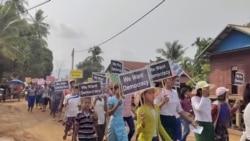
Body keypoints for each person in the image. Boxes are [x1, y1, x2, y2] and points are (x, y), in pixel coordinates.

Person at [154, 72, 196, 141]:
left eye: (174, 79)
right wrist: (163, 102)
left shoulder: (175, 92)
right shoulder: (160, 92)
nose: (173, 81)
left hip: (174, 120)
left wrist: (191, 121)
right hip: (164, 120)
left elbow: (179, 109)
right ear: (164, 80)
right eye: (170, 79)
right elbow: (154, 109)